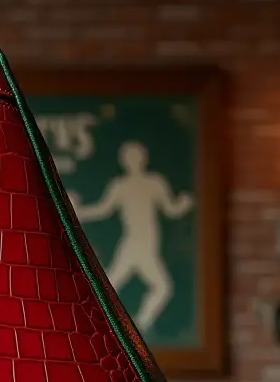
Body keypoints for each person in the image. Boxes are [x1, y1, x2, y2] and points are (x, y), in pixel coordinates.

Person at [71, 141, 194, 331]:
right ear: (124, 161)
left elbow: (171, 209)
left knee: (159, 288)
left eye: (136, 156)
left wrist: (183, 204)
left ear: (143, 158)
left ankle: (137, 326)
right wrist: (77, 212)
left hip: (147, 245)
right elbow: (103, 209)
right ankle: (117, 326)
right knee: (150, 287)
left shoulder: (155, 182)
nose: (133, 161)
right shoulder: (120, 185)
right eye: (129, 157)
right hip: (133, 244)